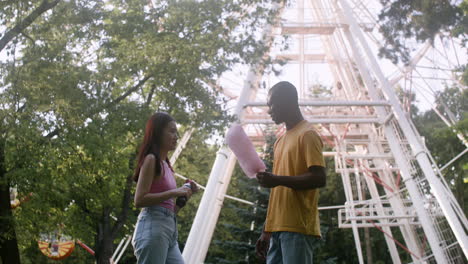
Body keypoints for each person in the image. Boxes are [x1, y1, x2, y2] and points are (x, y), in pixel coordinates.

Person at [255, 81, 327, 263]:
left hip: (298, 227)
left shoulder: (308, 134)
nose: (269, 111)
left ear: (288, 102)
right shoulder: (280, 141)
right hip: (277, 229)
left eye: (272, 105)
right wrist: (266, 230)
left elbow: (319, 177)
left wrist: (277, 179)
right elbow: (277, 190)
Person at [132, 112, 198, 264]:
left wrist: (184, 196)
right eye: (171, 131)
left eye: (177, 132)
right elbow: (139, 200)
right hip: (153, 226)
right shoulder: (151, 159)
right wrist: (175, 191)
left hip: (169, 228)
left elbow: (169, 208)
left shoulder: (167, 166)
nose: (176, 136)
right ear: (157, 132)